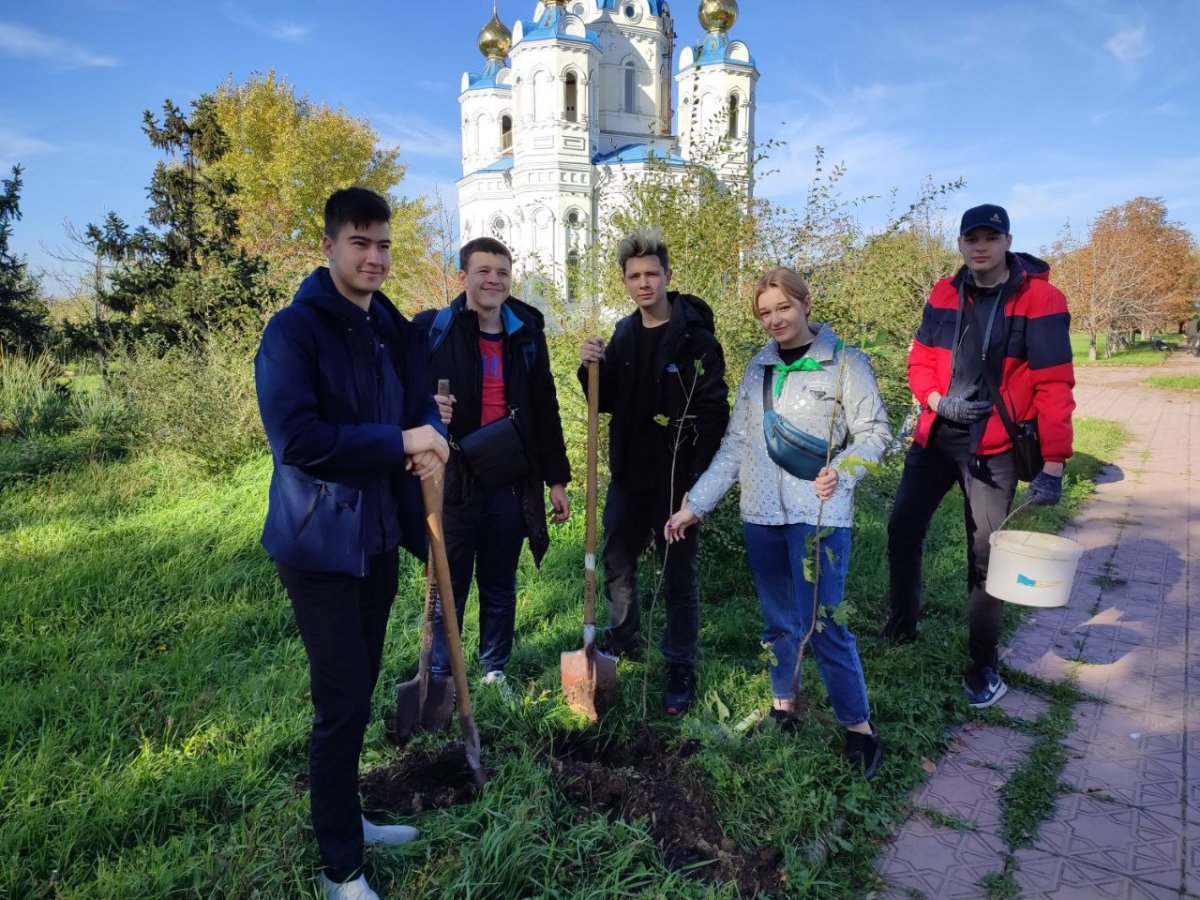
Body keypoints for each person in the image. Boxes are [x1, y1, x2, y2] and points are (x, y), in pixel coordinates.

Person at [255, 187, 448, 900]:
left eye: (384, 244)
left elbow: (421, 399)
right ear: (331, 247)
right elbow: (297, 439)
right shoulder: (293, 332)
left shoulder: (387, 327)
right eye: (360, 243)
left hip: (374, 539)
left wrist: (433, 435)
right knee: (340, 704)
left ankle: (351, 814)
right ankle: (341, 866)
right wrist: (402, 440)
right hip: (317, 545)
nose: (374, 257)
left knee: (361, 692)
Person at [666, 267, 889, 776]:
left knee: (824, 621)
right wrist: (694, 505)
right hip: (761, 516)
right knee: (777, 620)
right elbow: (736, 447)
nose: (774, 320)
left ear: (806, 305)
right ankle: (783, 704)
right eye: (764, 312)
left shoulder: (846, 364)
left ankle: (859, 727)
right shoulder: (758, 370)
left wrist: (845, 470)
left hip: (820, 515)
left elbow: (875, 432)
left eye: (783, 308)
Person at [881, 204, 1075, 708]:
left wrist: (1053, 464)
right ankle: (902, 626)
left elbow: (1055, 384)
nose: (980, 246)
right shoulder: (945, 292)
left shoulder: (1041, 299)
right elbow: (921, 357)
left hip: (995, 446)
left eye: (991, 237)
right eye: (972, 238)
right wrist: (935, 400)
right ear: (962, 244)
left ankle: (983, 665)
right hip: (936, 435)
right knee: (902, 528)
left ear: (1008, 241)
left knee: (987, 555)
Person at [578, 230, 729, 715]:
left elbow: (713, 417)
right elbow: (607, 403)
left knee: (677, 577)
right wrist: (590, 370)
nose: (643, 283)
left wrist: (698, 490)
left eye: (651, 274)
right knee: (618, 564)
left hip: (678, 481)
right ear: (624, 282)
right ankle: (624, 643)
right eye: (633, 276)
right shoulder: (622, 334)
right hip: (629, 475)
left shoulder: (696, 340)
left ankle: (679, 666)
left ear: (667, 276)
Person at [413, 237, 571, 687]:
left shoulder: (527, 336)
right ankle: (442, 674)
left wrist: (556, 479)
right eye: (483, 271)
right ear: (463, 277)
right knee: (447, 582)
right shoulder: (433, 330)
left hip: (509, 475)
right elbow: (402, 395)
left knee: (499, 580)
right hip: (452, 475)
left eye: (502, 272)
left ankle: (493, 669)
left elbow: (545, 408)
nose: (493, 280)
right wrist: (427, 409)